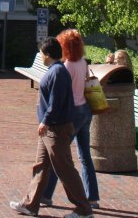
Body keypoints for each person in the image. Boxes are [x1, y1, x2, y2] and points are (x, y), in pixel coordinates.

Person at [10, 37, 93, 218]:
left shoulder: (58, 73)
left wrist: (45, 121)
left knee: (64, 169)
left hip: (56, 129)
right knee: (41, 166)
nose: (40, 56)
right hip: (49, 130)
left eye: (41, 53)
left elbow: (56, 103)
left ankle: (84, 209)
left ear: (47, 54)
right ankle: (30, 204)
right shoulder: (56, 70)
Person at [39, 30, 99, 209]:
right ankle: (92, 197)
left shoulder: (66, 67)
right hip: (86, 110)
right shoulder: (82, 62)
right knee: (85, 156)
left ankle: (46, 195)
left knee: (60, 156)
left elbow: (61, 94)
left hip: (73, 114)